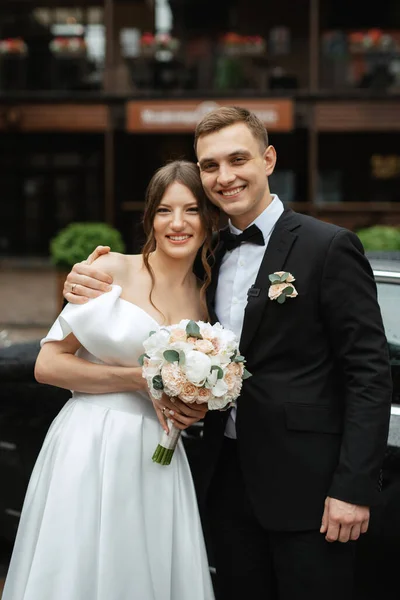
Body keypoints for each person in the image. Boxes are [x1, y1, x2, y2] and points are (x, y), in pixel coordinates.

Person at [62, 106, 392, 600]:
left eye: (238, 159)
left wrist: (352, 488)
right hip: (221, 482)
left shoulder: (328, 247)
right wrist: (84, 277)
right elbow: (148, 286)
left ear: (269, 159)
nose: (225, 176)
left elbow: (368, 373)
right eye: (210, 166)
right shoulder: (205, 255)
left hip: (312, 491)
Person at [2, 160, 219, 600]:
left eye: (192, 210)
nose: (177, 223)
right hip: (90, 442)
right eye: (164, 210)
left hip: (159, 456)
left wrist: (194, 405)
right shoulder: (109, 271)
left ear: (209, 219)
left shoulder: (204, 297)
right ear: (150, 219)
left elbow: (192, 387)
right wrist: (140, 378)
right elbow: (48, 364)